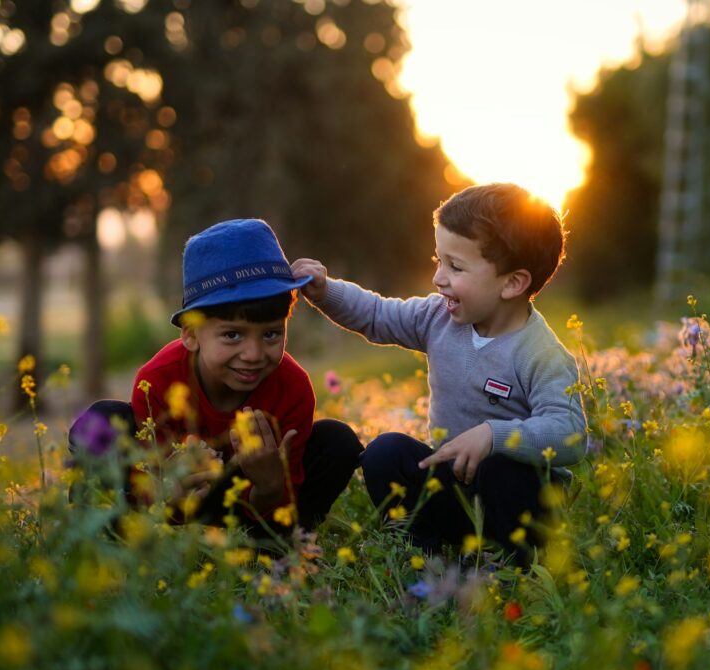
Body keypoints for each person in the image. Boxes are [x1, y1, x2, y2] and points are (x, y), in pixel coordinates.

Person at [291, 183, 587, 561]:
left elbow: (570, 433)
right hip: (455, 489)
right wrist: (325, 291)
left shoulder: (541, 354)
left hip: (519, 505)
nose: (439, 278)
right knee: (385, 453)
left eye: (455, 266)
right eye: (438, 262)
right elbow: (378, 315)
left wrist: (494, 435)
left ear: (513, 283)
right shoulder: (438, 317)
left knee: (502, 467)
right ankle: (422, 555)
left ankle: (501, 563)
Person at [69, 218, 362, 536]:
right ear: (192, 335)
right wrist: (172, 491)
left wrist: (268, 483)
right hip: (172, 504)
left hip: (255, 509)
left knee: (337, 441)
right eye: (233, 335)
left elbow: (279, 503)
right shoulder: (158, 381)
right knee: (101, 420)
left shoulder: (293, 389)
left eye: (272, 334)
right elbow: (153, 486)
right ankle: (99, 536)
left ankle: (279, 549)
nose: (253, 354)